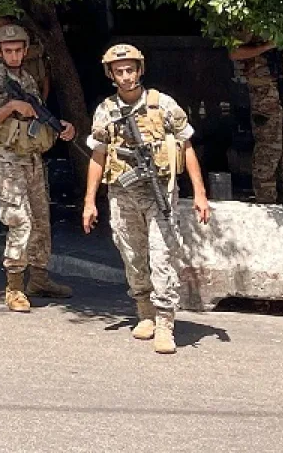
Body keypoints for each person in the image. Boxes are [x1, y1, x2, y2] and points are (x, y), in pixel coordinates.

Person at [82, 44, 211, 355]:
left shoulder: (163, 104)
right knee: (132, 254)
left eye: (130, 69)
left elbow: (186, 146)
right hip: (122, 194)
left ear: (140, 70)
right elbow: (98, 156)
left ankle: (165, 322)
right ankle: (145, 312)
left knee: (162, 255)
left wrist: (200, 193)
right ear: (111, 74)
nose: (126, 76)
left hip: (159, 193)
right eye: (119, 71)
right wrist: (89, 201)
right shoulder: (106, 111)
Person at [0, 24, 77, 311]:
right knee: (20, 220)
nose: (14, 55)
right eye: (8, 51)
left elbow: (36, 117)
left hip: (32, 159)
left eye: (19, 50)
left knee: (41, 220)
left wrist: (60, 126)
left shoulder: (27, 79)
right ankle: (15, 286)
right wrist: (10, 107)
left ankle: (39, 278)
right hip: (8, 160)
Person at [230, 34, 283, 206]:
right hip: (264, 84)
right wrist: (267, 46)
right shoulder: (252, 24)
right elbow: (234, 52)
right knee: (269, 144)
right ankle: (266, 197)